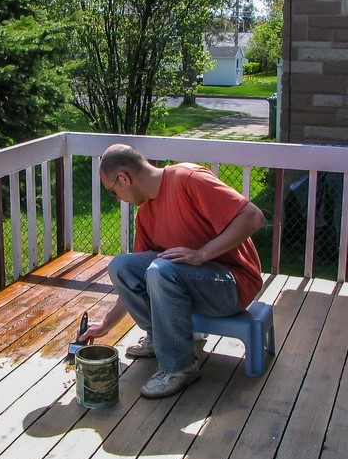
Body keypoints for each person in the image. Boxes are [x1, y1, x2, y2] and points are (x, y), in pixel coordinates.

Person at [79, 143, 266, 398]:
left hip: (232, 284)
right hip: (191, 287)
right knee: (122, 266)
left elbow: (253, 217)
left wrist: (201, 255)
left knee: (162, 269)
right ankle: (160, 340)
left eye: (113, 192)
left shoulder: (189, 179)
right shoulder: (145, 215)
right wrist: (106, 324)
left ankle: (179, 366)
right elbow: (136, 282)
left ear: (124, 178)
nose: (118, 198)